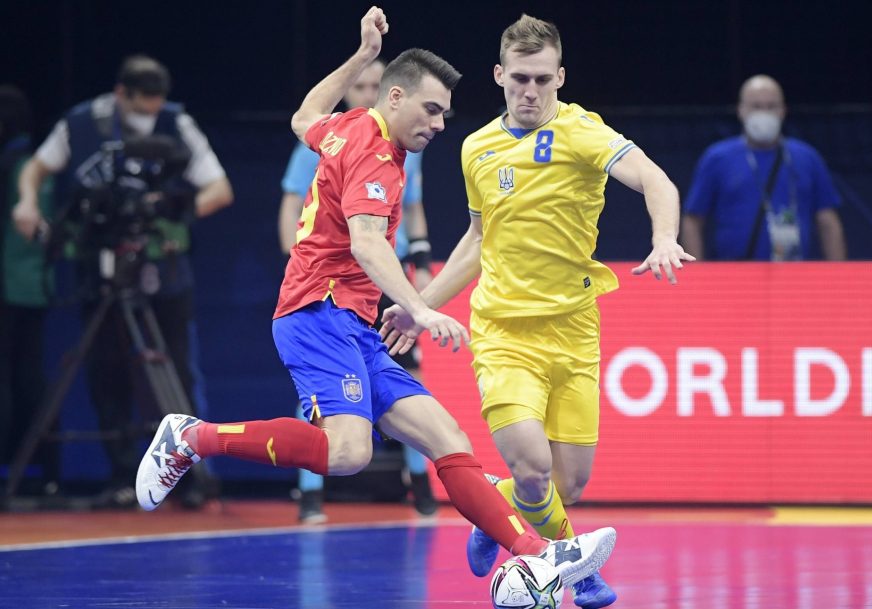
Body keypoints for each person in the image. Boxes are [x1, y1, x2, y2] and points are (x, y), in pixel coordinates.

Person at [136, 7, 615, 588]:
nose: (440, 124)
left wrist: (361, 55)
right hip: (317, 313)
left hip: (353, 324)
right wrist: (419, 309)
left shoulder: (347, 125)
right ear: (395, 98)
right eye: (431, 110)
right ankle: (190, 438)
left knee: (448, 439)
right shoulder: (378, 158)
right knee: (347, 453)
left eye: (445, 113)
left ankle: (534, 553)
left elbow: (302, 116)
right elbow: (366, 243)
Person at [380, 14, 692, 609]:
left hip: (573, 329)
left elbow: (655, 181)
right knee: (530, 464)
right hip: (502, 331)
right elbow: (478, 241)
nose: (530, 91)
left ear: (560, 78)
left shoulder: (585, 134)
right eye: (519, 78)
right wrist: (419, 305)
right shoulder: (476, 147)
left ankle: (489, 508)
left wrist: (663, 238)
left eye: (543, 79)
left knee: (567, 483)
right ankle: (575, 570)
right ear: (499, 75)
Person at [12, 55, 234, 508]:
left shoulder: (177, 124)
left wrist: (167, 209)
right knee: (104, 371)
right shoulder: (80, 123)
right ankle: (120, 476)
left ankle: (185, 477)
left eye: (155, 108)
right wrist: (27, 202)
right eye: (140, 108)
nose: (147, 117)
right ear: (121, 95)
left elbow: (219, 189)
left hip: (162, 267)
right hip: (99, 264)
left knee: (172, 369)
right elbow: (36, 168)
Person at [278, 59, 437, 522]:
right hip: (332, 285)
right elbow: (293, 203)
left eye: (375, 85)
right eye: (360, 85)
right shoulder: (334, 137)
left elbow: (415, 207)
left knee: (406, 378)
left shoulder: (408, 143)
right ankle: (310, 495)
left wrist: (421, 267)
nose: (367, 93)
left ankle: (422, 485)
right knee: (321, 390)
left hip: (387, 281)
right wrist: (300, 263)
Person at [680, 74, 847, 261]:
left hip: (794, 271)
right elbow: (693, 220)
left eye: (771, 106)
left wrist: (839, 273)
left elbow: (828, 221)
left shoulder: (807, 157)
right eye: (756, 107)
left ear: (783, 110)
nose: (764, 113)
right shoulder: (717, 158)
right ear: (740, 110)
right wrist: (696, 276)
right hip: (734, 274)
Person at [0, 85, 59, 497]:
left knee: (22, 379)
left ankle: (37, 470)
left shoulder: (23, 166)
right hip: (24, 287)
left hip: (20, 288)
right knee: (24, 377)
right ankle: (43, 471)